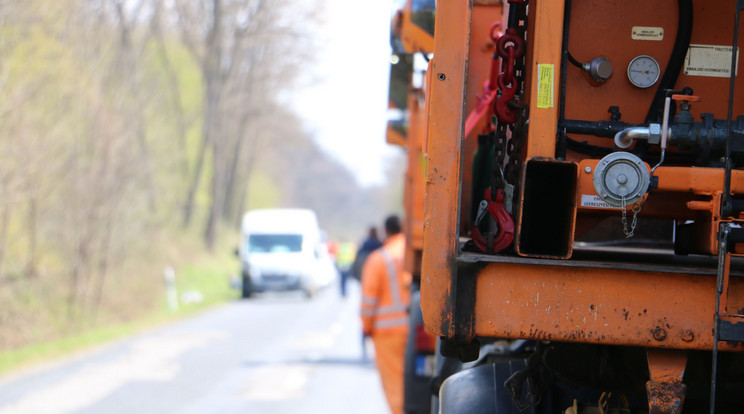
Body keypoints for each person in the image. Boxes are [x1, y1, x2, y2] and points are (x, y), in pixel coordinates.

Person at [360, 215, 411, 414]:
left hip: (388, 334)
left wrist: (367, 327)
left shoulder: (379, 259)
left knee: (395, 385)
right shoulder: (419, 253)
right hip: (421, 329)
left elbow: (368, 303)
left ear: (386, 232)